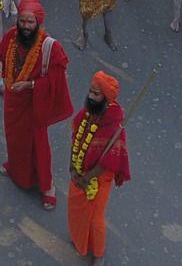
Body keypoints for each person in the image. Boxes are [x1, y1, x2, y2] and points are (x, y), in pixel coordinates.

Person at [0, 0, 73, 209]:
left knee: (38, 144)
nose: (25, 26)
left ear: (38, 23)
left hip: (34, 103)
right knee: (14, 138)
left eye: (30, 22)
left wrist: (31, 85)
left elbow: (57, 76)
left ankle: (47, 186)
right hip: (12, 99)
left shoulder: (50, 47)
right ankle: (17, 170)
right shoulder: (12, 36)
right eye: (22, 21)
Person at [65, 71, 129, 264]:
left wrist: (88, 177)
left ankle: (98, 255)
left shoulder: (114, 124)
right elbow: (76, 137)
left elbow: (111, 160)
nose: (91, 97)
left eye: (96, 94)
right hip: (80, 172)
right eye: (91, 92)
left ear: (106, 99)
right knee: (76, 210)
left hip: (99, 180)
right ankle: (81, 239)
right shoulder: (87, 113)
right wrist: (72, 167)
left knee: (95, 219)